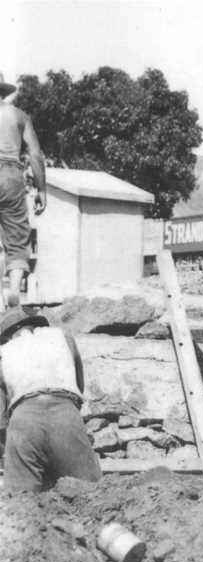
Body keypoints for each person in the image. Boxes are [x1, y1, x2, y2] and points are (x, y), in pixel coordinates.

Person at [0, 307, 101, 492]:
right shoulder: (64, 338)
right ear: (37, 325)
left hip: (24, 420)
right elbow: (79, 386)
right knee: (88, 493)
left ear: (7, 334)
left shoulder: (3, 352)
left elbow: (1, 418)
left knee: (20, 501)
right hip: (65, 413)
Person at [0, 72, 47, 307]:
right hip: (10, 173)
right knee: (17, 238)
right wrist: (41, 189)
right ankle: (15, 290)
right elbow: (35, 155)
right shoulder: (19, 116)